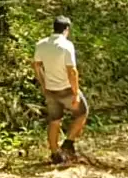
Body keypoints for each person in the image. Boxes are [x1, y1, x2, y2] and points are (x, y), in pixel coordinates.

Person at [33, 16, 88, 164]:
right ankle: (68, 143)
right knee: (82, 113)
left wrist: (43, 84)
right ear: (66, 29)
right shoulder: (66, 45)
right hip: (66, 89)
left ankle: (54, 153)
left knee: (54, 121)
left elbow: (36, 66)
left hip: (50, 90)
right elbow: (72, 71)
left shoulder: (41, 44)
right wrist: (76, 93)